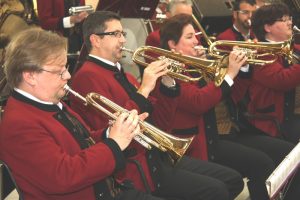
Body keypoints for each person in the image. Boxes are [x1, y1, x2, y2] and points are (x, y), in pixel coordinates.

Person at [70, 11, 244, 200]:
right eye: (115, 34)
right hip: (135, 169)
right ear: (95, 40)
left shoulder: (124, 75)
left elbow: (160, 123)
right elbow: (113, 129)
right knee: (217, 190)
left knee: (232, 180)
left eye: (123, 34)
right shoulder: (88, 76)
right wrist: (144, 89)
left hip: (156, 159)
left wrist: (169, 85)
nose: (123, 41)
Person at [0, 27, 154, 200]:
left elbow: (82, 142)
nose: (67, 75)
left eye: (65, 67)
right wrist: (114, 143)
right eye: (59, 71)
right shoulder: (19, 124)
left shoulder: (48, 100)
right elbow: (63, 176)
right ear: (30, 76)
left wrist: (112, 132)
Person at [156, 13, 298, 200]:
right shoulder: (168, 72)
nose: (196, 41)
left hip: (225, 132)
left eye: (196, 36)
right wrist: (229, 74)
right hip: (200, 143)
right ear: (172, 44)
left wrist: (243, 69)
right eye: (189, 37)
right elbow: (199, 102)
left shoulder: (196, 65)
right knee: (259, 164)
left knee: (273, 159)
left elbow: (232, 97)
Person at [247, 3, 300, 144]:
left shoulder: (289, 46)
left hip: (289, 117)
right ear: (267, 27)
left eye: (289, 18)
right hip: (271, 124)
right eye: (284, 19)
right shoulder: (260, 53)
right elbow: (282, 80)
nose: (290, 22)